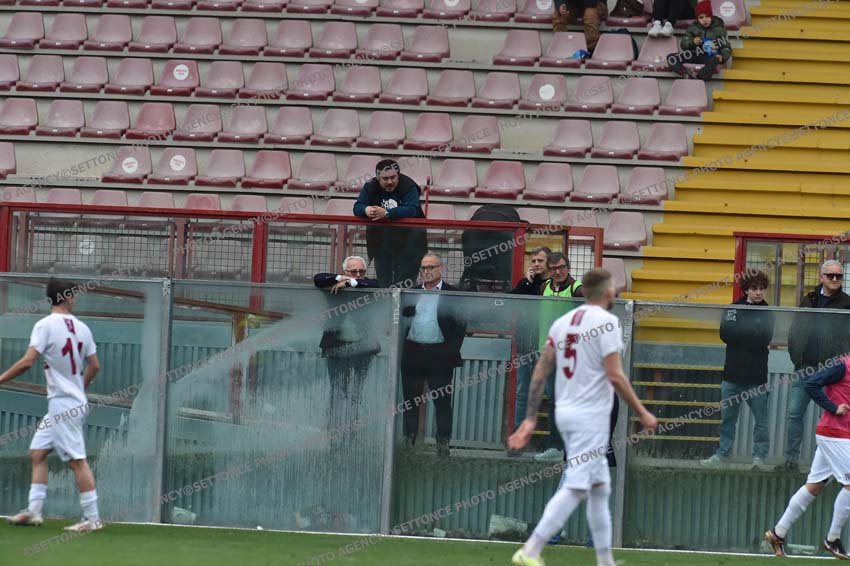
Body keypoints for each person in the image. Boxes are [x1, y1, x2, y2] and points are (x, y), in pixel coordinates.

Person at [509, 268, 657, 566]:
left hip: (566, 411)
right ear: (607, 292)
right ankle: (531, 549)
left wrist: (530, 418)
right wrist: (642, 412)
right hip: (590, 414)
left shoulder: (562, 322)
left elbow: (540, 371)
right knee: (577, 484)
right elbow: (615, 375)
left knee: (600, 486)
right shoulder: (607, 322)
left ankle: (605, 559)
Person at [2, 279, 103, 532]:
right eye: (74, 295)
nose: (75, 299)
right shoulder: (82, 328)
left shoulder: (44, 325)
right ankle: (34, 511)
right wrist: (78, 389)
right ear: (66, 297)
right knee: (37, 453)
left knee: (77, 461)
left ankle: (93, 519)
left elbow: (28, 361)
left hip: (62, 405)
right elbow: (95, 366)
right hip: (68, 403)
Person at [764, 350, 850, 560]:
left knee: (814, 486)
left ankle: (777, 532)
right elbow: (811, 383)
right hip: (834, 434)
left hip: (837, 435)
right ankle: (832, 538)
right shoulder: (841, 365)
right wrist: (833, 408)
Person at [701, 270, 775, 470]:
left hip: (756, 378)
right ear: (746, 289)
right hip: (732, 376)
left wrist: (741, 334)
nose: (759, 292)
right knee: (727, 420)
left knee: (761, 422)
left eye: (762, 289)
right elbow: (725, 334)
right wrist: (751, 334)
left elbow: (764, 339)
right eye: (755, 288)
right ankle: (722, 454)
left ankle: (759, 458)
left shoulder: (768, 312)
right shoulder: (732, 308)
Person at [785, 260, 850, 472]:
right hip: (805, 367)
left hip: (833, 371)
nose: (835, 279)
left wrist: (843, 364)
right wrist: (797, 358)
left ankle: (823, 464)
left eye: (839, 276)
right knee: (795, 413)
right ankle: (790, 460)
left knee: (831, 418)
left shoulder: (847, 303)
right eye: (830, 275)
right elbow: (795, 329)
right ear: (821, 277)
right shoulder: (809, 299)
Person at [400, 253, 467, 458]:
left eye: (431, 267)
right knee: (410, 402)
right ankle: (409, 442)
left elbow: (461, 325)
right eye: (423, 268)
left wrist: (449, 351)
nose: (426, 271)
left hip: (440, 355)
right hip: (413, 354)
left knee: (442, 402)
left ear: (441, 268)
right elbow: (401, 321)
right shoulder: (410, 293)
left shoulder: (453, 294)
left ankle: (443, 444)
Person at [313, 256, 381, 435]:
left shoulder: (367, 286)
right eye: (353, 272)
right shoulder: (334, 285)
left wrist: (352, 282)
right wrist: (341, 279)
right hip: (336, 347)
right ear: (344, 272)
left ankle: (351, 433)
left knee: (356, 393)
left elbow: (379, 284)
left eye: (361, 271)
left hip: (362, 347)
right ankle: (333, 432)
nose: (358, 274)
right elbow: (318, 278)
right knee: (337, 391)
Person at [535, 252, 584, 462]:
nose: (557, 272)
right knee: (554, 401)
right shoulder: (543, 287)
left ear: (568, 268)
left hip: (569, 357)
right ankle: (557, 447)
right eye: (553, 268)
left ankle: (569, 447)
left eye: (561, 267)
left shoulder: (577, 289)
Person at [353, 159, 427, 288]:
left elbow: (411, 210)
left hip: (410, 245)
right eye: (385, 178)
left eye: (393, 177)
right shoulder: (370, 186)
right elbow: (357, 207)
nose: (390, 182)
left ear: (398, 175)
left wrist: (387, 213)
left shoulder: (409, 186)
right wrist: (366, 210)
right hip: (382, 245)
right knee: (383, 284)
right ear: (377, 177)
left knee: (404, 284)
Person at [510, 246, 551, 438]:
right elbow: (512, 300)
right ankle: (519, 436)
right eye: (533, 261)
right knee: (522, 393)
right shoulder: (527, 282)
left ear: (549, 262)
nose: (535, 264)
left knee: (552, 393)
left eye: (540, 261)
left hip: (548, 346)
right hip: (526, 344)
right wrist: (526, 281)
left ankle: (555, 442)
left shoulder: (554, 284)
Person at [667, 1, 731, 80]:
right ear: (697, 19)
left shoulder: (719, 29)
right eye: (701, 17)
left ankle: (699, 77)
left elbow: (726, 47)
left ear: (711, 17)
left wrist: (722, 56)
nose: (705, 20)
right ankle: (686, 73)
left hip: (709, 57)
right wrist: (692, 42)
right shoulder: (693, 28)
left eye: (707, 17)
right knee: (671, 57)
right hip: (693, 55)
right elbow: (683, 44)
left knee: (715, 59)